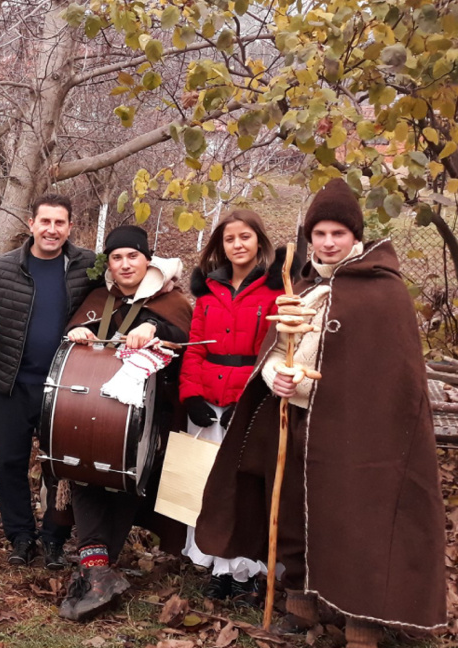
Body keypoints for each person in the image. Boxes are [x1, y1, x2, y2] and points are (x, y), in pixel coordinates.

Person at [196, 179, 446, 646]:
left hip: (359, 436)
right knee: (291, 509)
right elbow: (274, 351)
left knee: (356, 518)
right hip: (297, 422)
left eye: (338, 234)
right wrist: (276, 378)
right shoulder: (304, 286)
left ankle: (361, 624)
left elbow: (393, 378)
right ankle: (300, 603)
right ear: (309, 237)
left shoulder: (382, 292)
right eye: (320, 234)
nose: (328, 243)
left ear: (356, 237)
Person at [0, 194, 97, 569]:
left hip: (64, 388)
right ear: (31, 224)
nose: (51, 229)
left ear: (69, 227)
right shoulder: (3, 268)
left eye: (59, 223)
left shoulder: (87, 266)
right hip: (11, 385)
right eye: (44, 221)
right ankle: (20, 536)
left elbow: (124, 288)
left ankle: (53, 539)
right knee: (11, 463)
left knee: (59, 469)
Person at [57, 225, 192, 622]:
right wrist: (77, 332)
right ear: (109, 265)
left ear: (147, 260)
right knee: (82, 475)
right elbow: (71, 342)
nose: (124, 264)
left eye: (132, 256)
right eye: (116, 258)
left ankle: (101, 566)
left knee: (123, 482)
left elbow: (185, 337)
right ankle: (97, 569)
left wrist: (156, 330)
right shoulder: (99, 298)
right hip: (90, 413)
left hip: (147, 418)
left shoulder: (171, 301)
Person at [179, 209, 291, 600]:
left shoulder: (276, 291)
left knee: (243, 486)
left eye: (245, 237)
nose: (238, 245)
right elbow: (194, 349)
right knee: (210, 484)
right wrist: (191, 396)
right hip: (209, 397)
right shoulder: (208, 292)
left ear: (258, 240)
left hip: (250, 398)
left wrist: (251, 404)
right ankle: (216, 567)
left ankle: (244, 571)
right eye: (230, 239)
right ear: (220, 246)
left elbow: (276, 349)